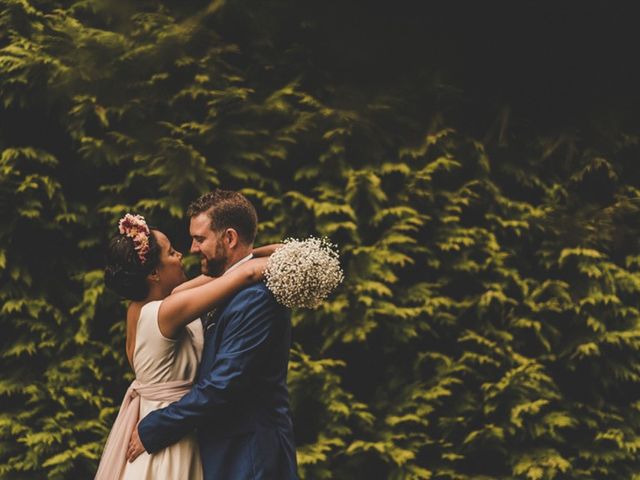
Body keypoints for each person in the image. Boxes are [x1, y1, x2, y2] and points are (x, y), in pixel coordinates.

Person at [127, 190, 299, 479]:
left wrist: (154, 428)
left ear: (229, 238)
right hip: (222, 450)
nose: (192, 249)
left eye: (200, 238)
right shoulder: (225, 286)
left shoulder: (255, 297)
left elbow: (223, 384)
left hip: (250, 454)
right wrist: (254, 259)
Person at [96, 212, 278, 479]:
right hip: (171, 439)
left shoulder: (141, 308)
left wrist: (259, 251)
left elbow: (233, 269)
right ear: (155, 274)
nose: (181, 255)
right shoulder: (165, 312)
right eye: (171, 253)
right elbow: (247, 275)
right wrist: (296, 262)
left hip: (161, 425)